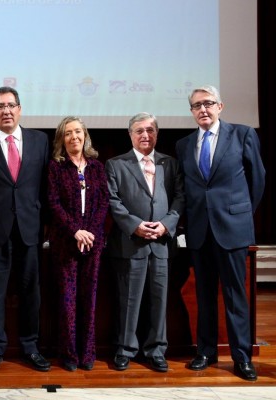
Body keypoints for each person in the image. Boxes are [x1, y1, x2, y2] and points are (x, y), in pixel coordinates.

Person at [175, 85, 265, 381]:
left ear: (220, 106)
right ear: (191, 111)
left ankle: (242, 358)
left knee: (235, 296)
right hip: (200, 231)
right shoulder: (184, 144)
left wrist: (240, 214)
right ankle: (205, 351)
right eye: (197, 105)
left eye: (208, 103)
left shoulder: (242, 134)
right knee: (203, 295)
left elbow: (257, 179)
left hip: (232, 229)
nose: (203, 109)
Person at [0, 87, 51, 373]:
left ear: (20, 108)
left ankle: (30, 346)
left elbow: (45, 187)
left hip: (30, 229)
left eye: (11, 105)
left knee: (31, 292)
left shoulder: (40, 141)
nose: (6, 111)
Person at [105, 112, 185, 373]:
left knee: (159, 299)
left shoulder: (169, 163)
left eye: (150, 130)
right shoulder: (116, 164)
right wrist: (135, 225)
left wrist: (166, 224)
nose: (145, 135)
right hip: (131, 243)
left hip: (161, 243)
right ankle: (126, 349)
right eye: (139, 131)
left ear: (157, 134)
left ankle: (156, 350)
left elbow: (180, 198)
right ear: (130, 135)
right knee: (129, 300)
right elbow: (112, 201)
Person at [47, 116, 109, 372]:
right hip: (65, 244)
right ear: (62, 138)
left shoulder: (97, 167)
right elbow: (53, 203)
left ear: (85, 136)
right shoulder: (55, 167)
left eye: (78, 132)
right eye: (68, 133)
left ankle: (87, 352)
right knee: (68, 301)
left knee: (89, 300)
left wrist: (90, 233)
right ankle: (69, 354)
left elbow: (104, 202)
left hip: (92, 244)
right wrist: (76, 231)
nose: (74, 137)